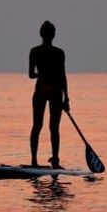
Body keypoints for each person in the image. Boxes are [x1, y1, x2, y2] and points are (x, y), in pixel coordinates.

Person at [29, 21, 70, 169]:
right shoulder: (59, 53)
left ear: (41, 34)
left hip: (40, 89)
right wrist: (67, 98)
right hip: (55, 91)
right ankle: (56, 161)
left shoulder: (34, 51)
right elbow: (62, 76)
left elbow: (31, 75)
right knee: (54, 127)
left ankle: (34, 161)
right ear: (53, 35)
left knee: (37, 126)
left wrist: (42, 73)